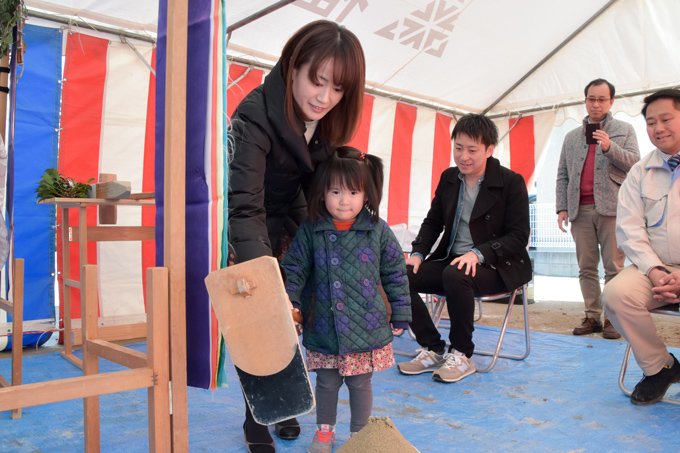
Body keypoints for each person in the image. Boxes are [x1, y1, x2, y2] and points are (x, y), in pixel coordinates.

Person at [227, 20, 366, 453]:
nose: (324, 97)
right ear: (292, 66)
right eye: (317, 80)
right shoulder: (253, 115)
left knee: (300, 319)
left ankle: (283, 405)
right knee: (265, 322)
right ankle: (257, 422)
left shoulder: (323, 126)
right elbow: (244, 207)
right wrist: (265, 278)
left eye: (338, 89)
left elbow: (317, 195)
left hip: (291, 228)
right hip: (247, 228)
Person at [281, 147, 411, 453]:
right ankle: (324, 432)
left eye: (353, 192)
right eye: (336, 191)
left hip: (366, 328)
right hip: (323, 326)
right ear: (322, 193)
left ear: (366, 194)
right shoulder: (311, 230)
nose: (344, 200)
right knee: (326, 384)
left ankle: (359, 436)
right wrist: (292, 302)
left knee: (360, 384)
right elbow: (295, 269)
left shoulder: (378, 231)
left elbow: (395, 273)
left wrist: (401, 312)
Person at [397, 114, 532, 383]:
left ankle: (462, 354)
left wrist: (479, 252)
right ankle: (433, 348)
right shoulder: (449, 178)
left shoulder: (510, 182)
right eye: (458, 148)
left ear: (489, 150)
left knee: (454, 274)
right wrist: (417, 254)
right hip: (453, 261)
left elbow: (518, 236)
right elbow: (433, 221)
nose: (463, 156)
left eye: (472, 150)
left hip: (496, 266)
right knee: (398, 275)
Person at [602, 89, 680, 405]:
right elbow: (630, 230)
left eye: (666, 119)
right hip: (655, 268)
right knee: (617, 295)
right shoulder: (640, 171)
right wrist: (656, 271)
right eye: (651, 122)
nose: (658, 128)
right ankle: (660, 366)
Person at [555, 78, 640, 339]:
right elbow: (562, 174)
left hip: (614, 209)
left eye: (602, 99)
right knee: (586, 267)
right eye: (591, 98)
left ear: (611, 102)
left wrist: (609, 146)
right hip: (580, 210)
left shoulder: (624, 130)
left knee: (614, 268)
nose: (596, 104)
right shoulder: (571, 137)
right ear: (585, 101)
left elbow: (635, 164)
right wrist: (561, 207)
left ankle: (613, 318)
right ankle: (592, 317)